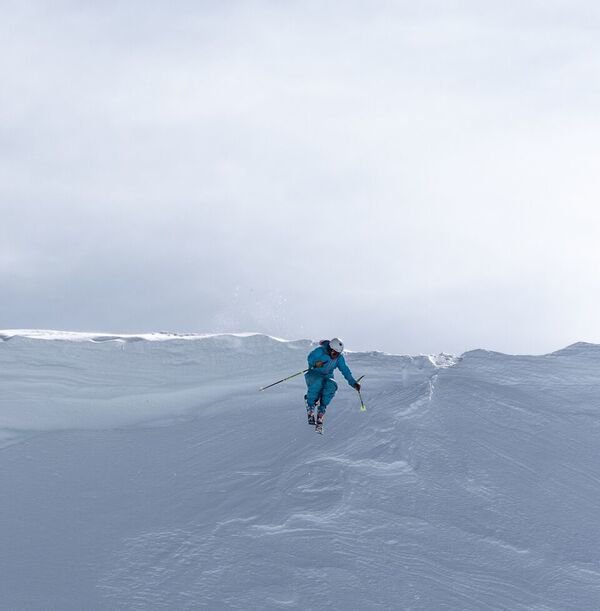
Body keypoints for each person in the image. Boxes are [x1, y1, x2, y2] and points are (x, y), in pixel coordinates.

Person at [305, 337, 360, 431]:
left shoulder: (339, 358)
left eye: (337, 354)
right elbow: (310, 358)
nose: (335, 356)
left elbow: (345, 370)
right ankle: (310, 404)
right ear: (330, 349)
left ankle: (321, 410)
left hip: (327, 376)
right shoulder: (320, 351)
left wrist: (353, 383)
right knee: (318, 382)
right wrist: (316, 363)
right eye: (334, 353)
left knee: (332, 386)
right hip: (314, 373)